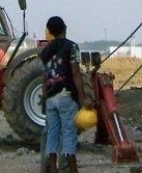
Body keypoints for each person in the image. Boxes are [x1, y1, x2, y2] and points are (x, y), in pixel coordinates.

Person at [39, 16, 90, 173]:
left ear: (51, 32)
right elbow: (75, 74)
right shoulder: (72, 47)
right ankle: (72, 170)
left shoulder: (45, 51)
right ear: (65, 28)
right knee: (69, 134)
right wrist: (82, 97)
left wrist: (45, 97)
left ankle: (53, 169)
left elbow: (44, 76)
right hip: (66, 96)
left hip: (51, 98)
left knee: (52, 134)